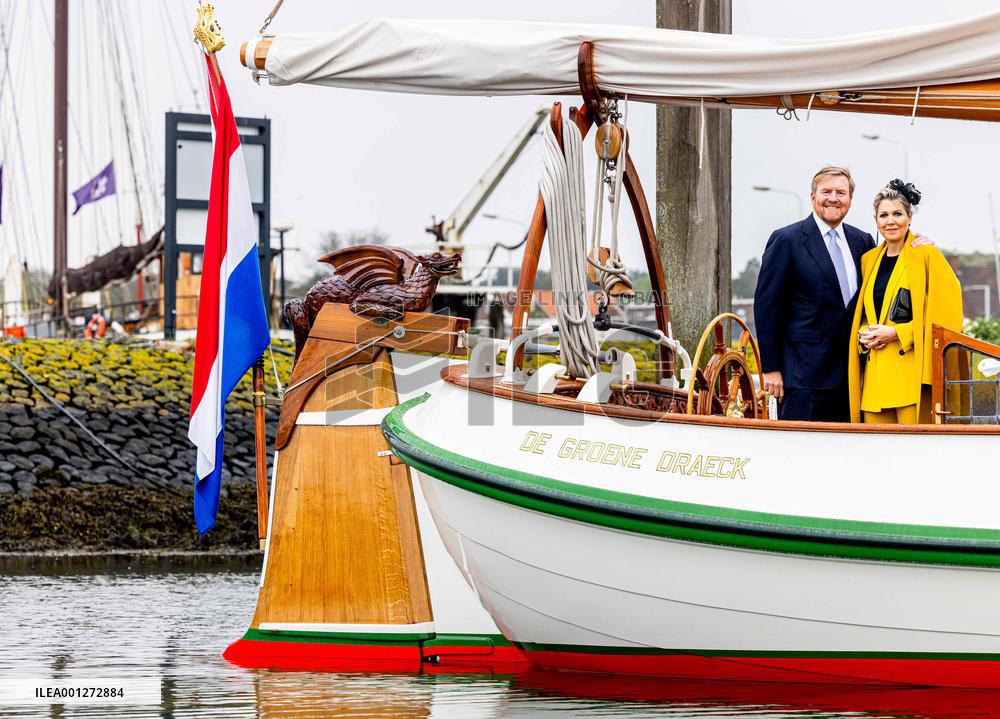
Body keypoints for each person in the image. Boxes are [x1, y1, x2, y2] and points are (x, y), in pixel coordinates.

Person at [754, 166, 875, 421]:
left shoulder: (862, 242)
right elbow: (767, 308)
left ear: (850, 200)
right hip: (802, 377)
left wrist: (916, 243)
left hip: (852, 376)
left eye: (841, 192)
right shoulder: (786, 240)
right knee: (799, 452)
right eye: (826, 191)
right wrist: (771, 368)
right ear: (813, 197)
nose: (833, 198)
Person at [847, 181, 963, 425]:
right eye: (884, 215)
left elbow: (946, 319)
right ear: (876, 220)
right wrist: (864, 334)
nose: (891, 221)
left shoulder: (927, 255)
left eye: (898, 213)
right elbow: (866, 312)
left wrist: (897, 333)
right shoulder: (869, 260)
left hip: (910, 380)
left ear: (910, 216)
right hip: (874, 383)